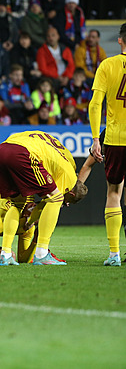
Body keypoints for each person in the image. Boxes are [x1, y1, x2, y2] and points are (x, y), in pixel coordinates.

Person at [0, 131, 87, 265]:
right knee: (56, 198)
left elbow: (6, 164)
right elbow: (49, 201)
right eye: (68, 202)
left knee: (17, 203)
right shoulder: (70, 177)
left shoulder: (60, 155)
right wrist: (31, 221)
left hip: (1, 150)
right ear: (71, 194)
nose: (65, 205)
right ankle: (42, 253)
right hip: (24, 155)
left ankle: (6, 254)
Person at [89, 22, 126, 266]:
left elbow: (95, 104)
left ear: (120, 40)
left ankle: (114, 253)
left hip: (115, 139)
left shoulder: (108, 65)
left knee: (113, 193)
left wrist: (95, 138)